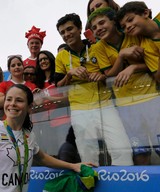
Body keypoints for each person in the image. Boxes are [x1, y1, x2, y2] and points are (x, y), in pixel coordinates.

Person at [55, 13, 133, 166]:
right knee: (87, 154)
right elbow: (58, 86)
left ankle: (123, 185)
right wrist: (69, 74)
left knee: (121, 148)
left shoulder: (97, 47)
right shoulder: (61, 56)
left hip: (104, 104)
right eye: (62, 32)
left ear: (79, 29)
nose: (66, 34)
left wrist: (102, 76)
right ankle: (92, 186)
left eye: (70, 29)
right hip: (79, 109)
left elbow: (109, 74)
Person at [89, 7, 160, 165]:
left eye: (102, 23)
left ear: (114, 22)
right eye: (94, 28)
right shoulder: (98, 47)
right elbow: (109, 74)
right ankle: (143, 187)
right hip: (125, 104)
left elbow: (151, 62)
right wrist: (121, 56)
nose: (98, 29)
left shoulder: (133, 33)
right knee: (140, 151)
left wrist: (133, 67)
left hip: (152, 97)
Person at [116, 1, 160, 83]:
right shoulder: (146, 49)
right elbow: (158, 78)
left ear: (145, 13)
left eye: (130, 20)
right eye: (124, 27)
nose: (128, 26)